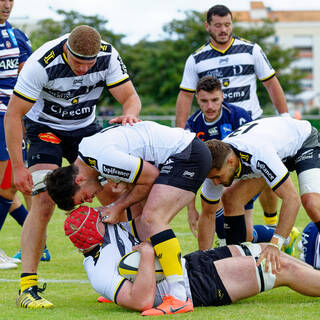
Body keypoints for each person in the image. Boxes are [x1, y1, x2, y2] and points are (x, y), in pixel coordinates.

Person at [4, 25, 141, 308]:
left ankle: (130, 268)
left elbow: (130, 98)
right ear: (66, 49)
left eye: (89, 64)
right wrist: (18, 166)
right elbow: (14, 114)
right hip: (45, 129)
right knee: (42, 200)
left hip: (85, 130)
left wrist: (129, 115)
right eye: (78, 62)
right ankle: (27, 288)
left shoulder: (107, 55)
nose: (83, 69)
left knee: (112, 195)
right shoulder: (41, 64)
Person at [45, 120, 213, 315]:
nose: (90, 200)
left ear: (79, 180)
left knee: (152, 218)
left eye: (83, 197)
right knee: (142, 215)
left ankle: (178, 296)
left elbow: (150, 177)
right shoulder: (88, 155)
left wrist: (118, 206)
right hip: (180, 154)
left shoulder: (103, 160)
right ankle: (136, 282)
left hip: (188, 154)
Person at [62, 205, 320, 316]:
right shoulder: (99, 271)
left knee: (265, 249)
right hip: (195, 287)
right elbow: (139, 300)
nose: (101, 213)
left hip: (189, 264)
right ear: (94, 231)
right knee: (279, 268)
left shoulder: (107, 230)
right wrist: (149, 255)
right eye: (97, 217)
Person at [176, 4, 289, 233]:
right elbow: (186, 95)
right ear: (208, 26)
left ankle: (271, 224)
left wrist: (284, 116)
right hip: (219, 133)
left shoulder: (251, 50)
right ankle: (233, 234)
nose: (223, 29)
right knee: (223, 183)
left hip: (252, 125)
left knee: (268, 174)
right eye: (217, 25)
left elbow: (271, 83)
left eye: (227, 24)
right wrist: (180, 134)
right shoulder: (196, 59)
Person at [201, 116, 320, 273]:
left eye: (218, 177)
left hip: (302, 143)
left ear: (230, 162)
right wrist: (202, 261)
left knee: (311, 203)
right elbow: (208, 214)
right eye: (212, 178)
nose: (216, 183)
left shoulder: (257, 154)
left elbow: (291, 199)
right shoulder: (217, 165)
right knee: (230, 198)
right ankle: (236, 265)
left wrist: (275, 244)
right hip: (274, 149)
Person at [184, 75, 275, 247]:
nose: (210, 106)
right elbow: (191, 168)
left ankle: (227, 247)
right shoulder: (193, 125)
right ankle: (225, 248)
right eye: (204, 101)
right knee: (246, 234)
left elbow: (256, 152)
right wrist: (190, 208)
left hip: (245, 177)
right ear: (197, 98)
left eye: (215, 100)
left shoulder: (238, 117)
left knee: (223, 201)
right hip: (217, 180)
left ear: (222, 96)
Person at [0, 0, 34, 269]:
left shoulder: (17, 35)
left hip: (11, 118)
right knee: (6, 183)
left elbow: (26, 79)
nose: (7, 4)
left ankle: (37, 239)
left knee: (9, 185)